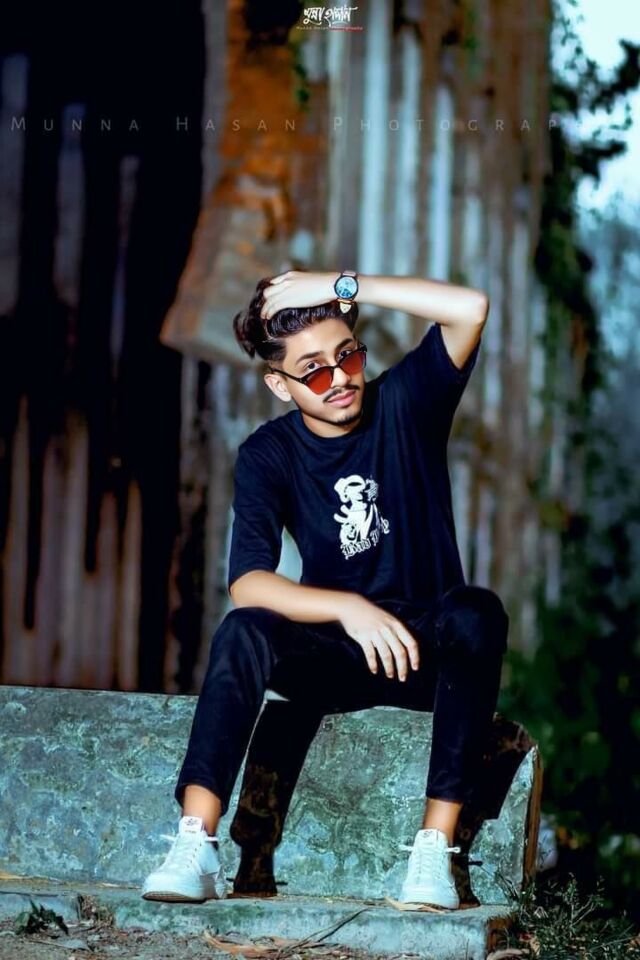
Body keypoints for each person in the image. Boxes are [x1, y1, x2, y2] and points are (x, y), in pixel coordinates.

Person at [141, 269, 509, 909]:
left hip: (425, 656)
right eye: (311, 371)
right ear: (279, 385)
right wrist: (346, 607)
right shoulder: (268, 454)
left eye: (347, 357)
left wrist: (341, 284)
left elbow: (470, 307)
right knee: (244, 628)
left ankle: (434, 851)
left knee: (477, 611)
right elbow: (247, 582)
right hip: (336, 657)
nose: (338, 379)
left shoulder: (405, 403)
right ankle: (195, 842)